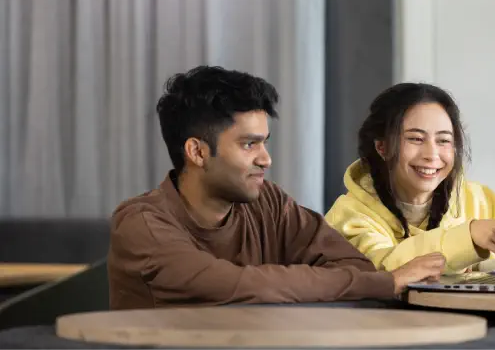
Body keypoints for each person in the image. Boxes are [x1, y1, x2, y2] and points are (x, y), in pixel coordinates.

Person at [107, 66, 445, 310]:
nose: (266, 159)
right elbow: (232, 285)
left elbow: (352, 266)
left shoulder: (268, 202)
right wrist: (387, 282)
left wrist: (288, 285)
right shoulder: (142, 224)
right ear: (197, 151)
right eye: (249, 144)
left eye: (264, 143)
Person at [325, 83, 495, 274]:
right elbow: (381, 269)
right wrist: (469, 240)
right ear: (382, 147)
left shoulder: (479, 198)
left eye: (443, 140)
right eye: (416, 139)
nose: (431, 155)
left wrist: (480, 260)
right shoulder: (348, 217)